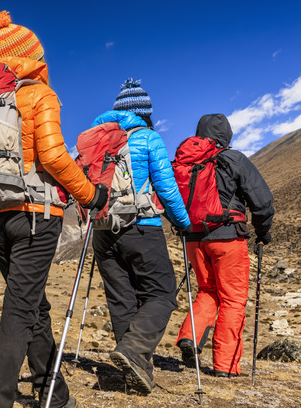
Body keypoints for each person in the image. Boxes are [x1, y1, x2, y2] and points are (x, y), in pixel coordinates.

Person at [0, 11, 107, 408]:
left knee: (32, 303)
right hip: (35, 215)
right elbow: (52, 156)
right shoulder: (39, 95)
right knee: (21, 308)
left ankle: (54, 393)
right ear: (32, 56)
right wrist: (90, 195)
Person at [89, 79, 191, 394]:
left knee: (121, 300)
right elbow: (167, 189)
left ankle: (138, 372)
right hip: (141, 226)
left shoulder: (97, 139)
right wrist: (183, 223)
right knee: (162, 293)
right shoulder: (147, 137)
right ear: (144, 113)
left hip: (103, 231)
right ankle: (134, 351)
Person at [175, 113, 274, 377]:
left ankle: (190, 335)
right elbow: (262, 200)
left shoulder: (187, 161)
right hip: (228, 238)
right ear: (226, 135)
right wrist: (263, 232)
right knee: (233, 299)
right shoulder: (233, 158)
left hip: (194, 239)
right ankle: (226, 366)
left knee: (208, 290)